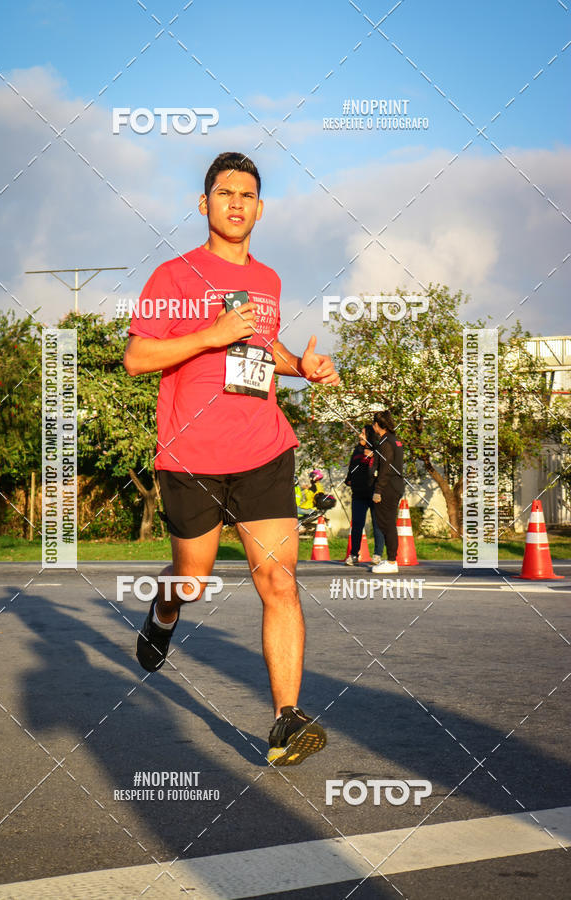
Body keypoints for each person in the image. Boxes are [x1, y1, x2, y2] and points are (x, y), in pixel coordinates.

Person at [123, 151, 340, 766]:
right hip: (192, 454)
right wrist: (209, 335)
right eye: (225, 193)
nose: (237, 203)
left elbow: (262, 344)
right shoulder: (174, 276)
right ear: (204, 204)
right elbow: (138, 357)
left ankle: (286, 720)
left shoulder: (268, 281)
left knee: (279, 581)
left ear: (260, 209)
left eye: (247, 195)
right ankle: (165, 612)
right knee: (192, 577)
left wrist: (302, 366)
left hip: (263, 448)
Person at [344, 425, 385, 565]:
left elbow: (381, 468)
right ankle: (354, 554)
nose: (360, 435)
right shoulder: (357, 449)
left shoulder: (377, 450)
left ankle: (377, 554)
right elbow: (352, 467)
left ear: (369, 435)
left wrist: (374, 456)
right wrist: (348, 479)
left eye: (363, 433)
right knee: (357, 524)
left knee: (377, 523)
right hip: (358, 493)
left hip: (373, 492)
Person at [370, 410, 404, 574]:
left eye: (373, 424)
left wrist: (378, 490)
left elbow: (385, 469)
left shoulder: (386, 443)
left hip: (388, 486)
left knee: (386, 523)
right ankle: (391, 559)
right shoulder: (394, 440)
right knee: (387, 522)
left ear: (377, 425)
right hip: (395, 485)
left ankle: (391, 561)